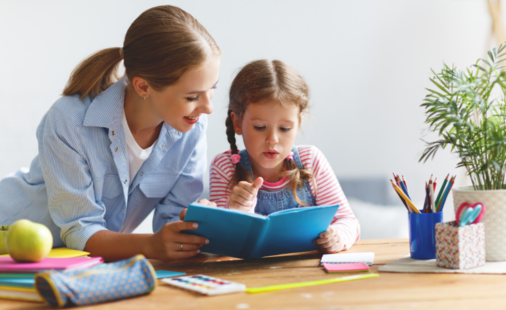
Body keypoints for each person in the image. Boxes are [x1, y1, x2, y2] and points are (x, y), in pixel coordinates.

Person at [0, 5, 220, 262]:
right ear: (143, 86)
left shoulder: (192, 127)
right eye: (192, 96)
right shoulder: (69, 120)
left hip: (78, 263)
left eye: (212, 89)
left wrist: (194, 222)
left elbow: (170, 222)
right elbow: (80, 229)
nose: (208, 108)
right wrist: (149, 245)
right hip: (11, 244)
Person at [209, 59, 360, 253]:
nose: (272, 139)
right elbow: (220, 243)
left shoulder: (310, 161)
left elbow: (348, 221)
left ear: (298, 124)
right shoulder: (225, 167)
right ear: (237, 123)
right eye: (260, 127)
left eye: (285, 128)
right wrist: (240, 210)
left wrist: (338, 237)